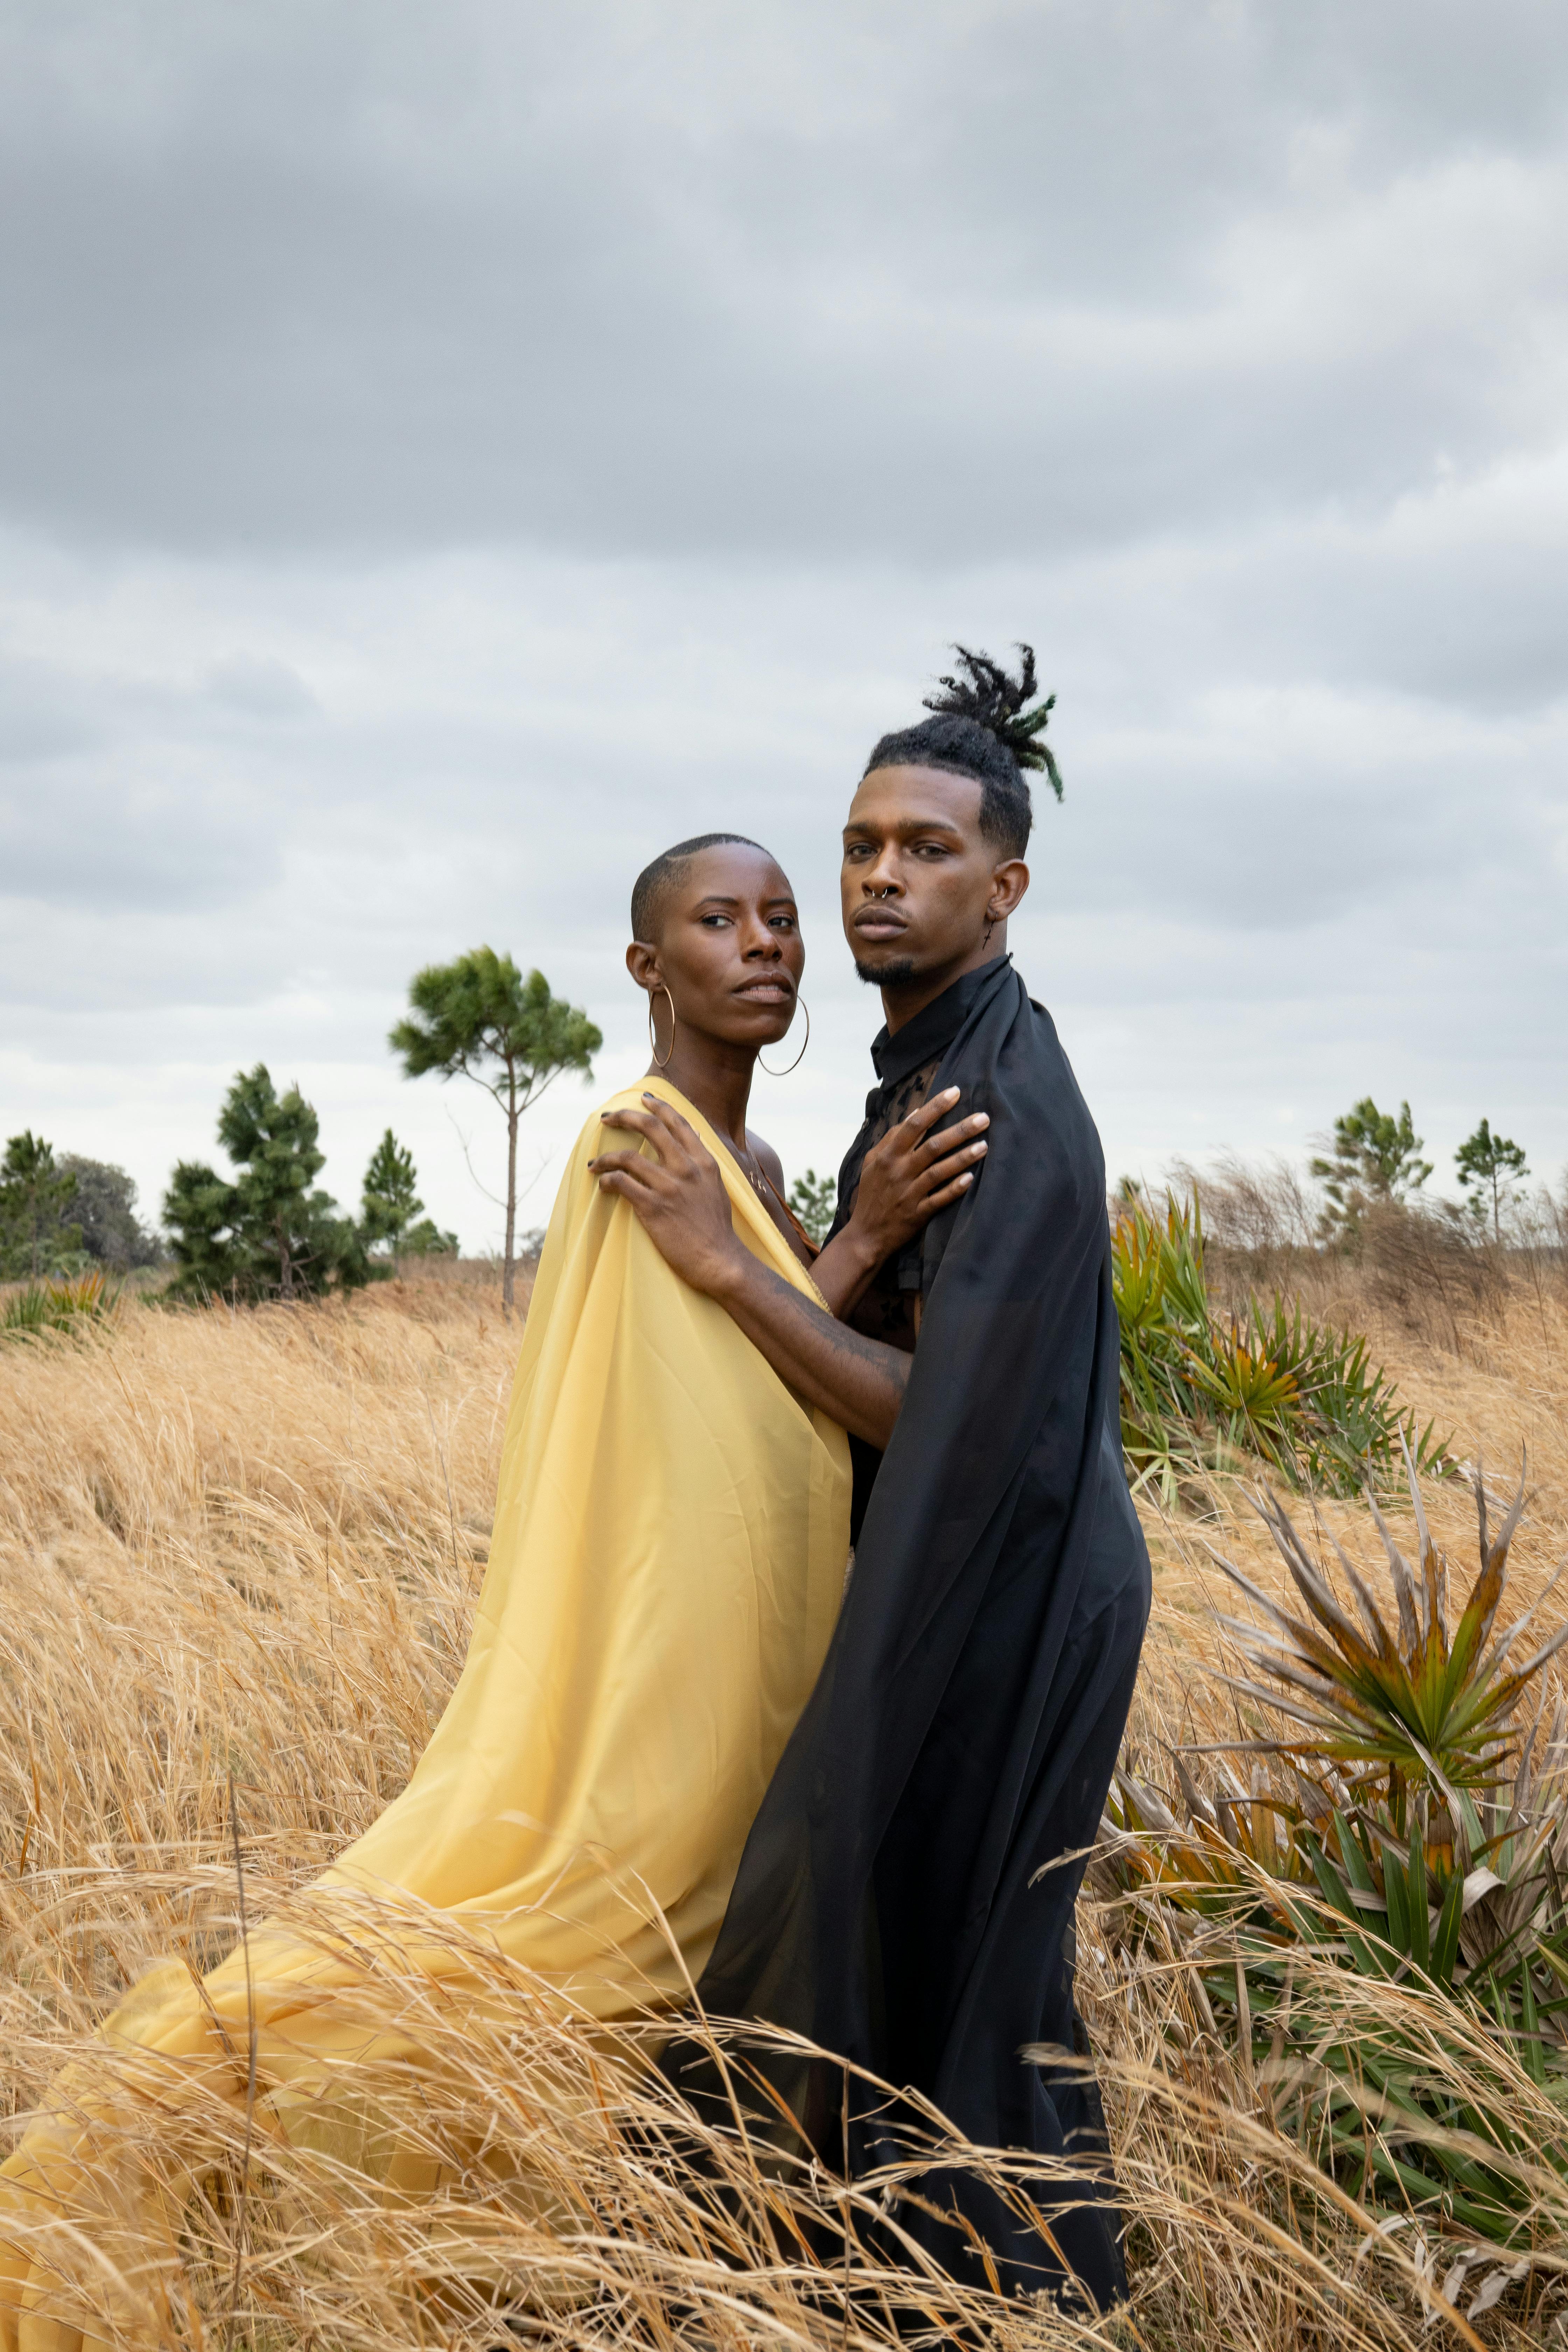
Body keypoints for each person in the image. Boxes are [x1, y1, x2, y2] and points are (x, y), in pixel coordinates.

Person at [0, 834, 982, 2350]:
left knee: (698, 1959)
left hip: (789, 1613)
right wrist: (841, 1247)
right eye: (719, 923)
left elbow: (773, 1356)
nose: (767, 944)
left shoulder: (753, 1170)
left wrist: (835, 1240)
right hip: (680, 1632)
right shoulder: (628, 1142)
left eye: (782, 920)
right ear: (651, 968)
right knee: (575, 1930)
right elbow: (675, 1415)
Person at [593, 649, 1152, 2310]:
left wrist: (729, 1266)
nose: (878, 879)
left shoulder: (997, 1099)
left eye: (922, 849)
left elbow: (934, 1413)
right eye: (860, 848)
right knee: (897, 1934)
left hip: (1020, 1589)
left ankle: (1033, 2306)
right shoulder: (923, 1068)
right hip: (966, 1564)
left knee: (950, 1962)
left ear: (1006, 883)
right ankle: (863, 2290)